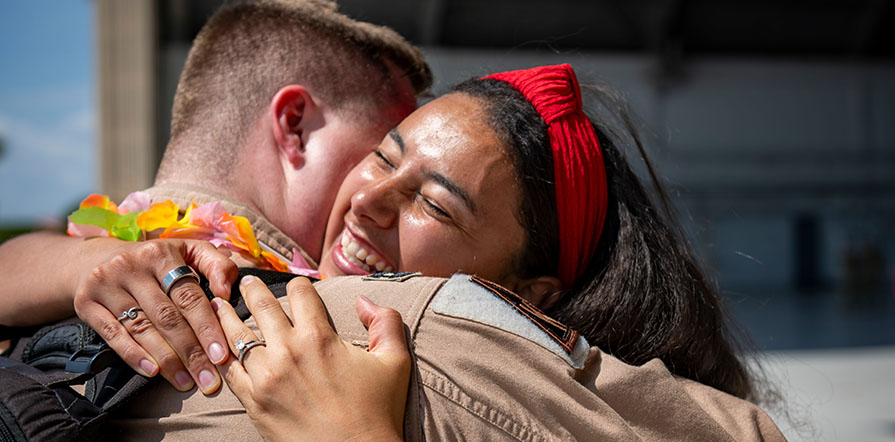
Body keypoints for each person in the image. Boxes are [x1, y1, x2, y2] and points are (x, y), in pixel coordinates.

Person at [2, 64, 786, 440]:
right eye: (384, 154)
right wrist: (85, 268)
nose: (371, 196)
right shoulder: (222, 249)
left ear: (531, 295)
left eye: (434, 201)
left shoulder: (469, 364)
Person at [0, 0, 431, 395]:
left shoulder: (57, 274)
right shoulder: (324, 323)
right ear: (296, 125)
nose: (379, 191)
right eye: (383, 154)